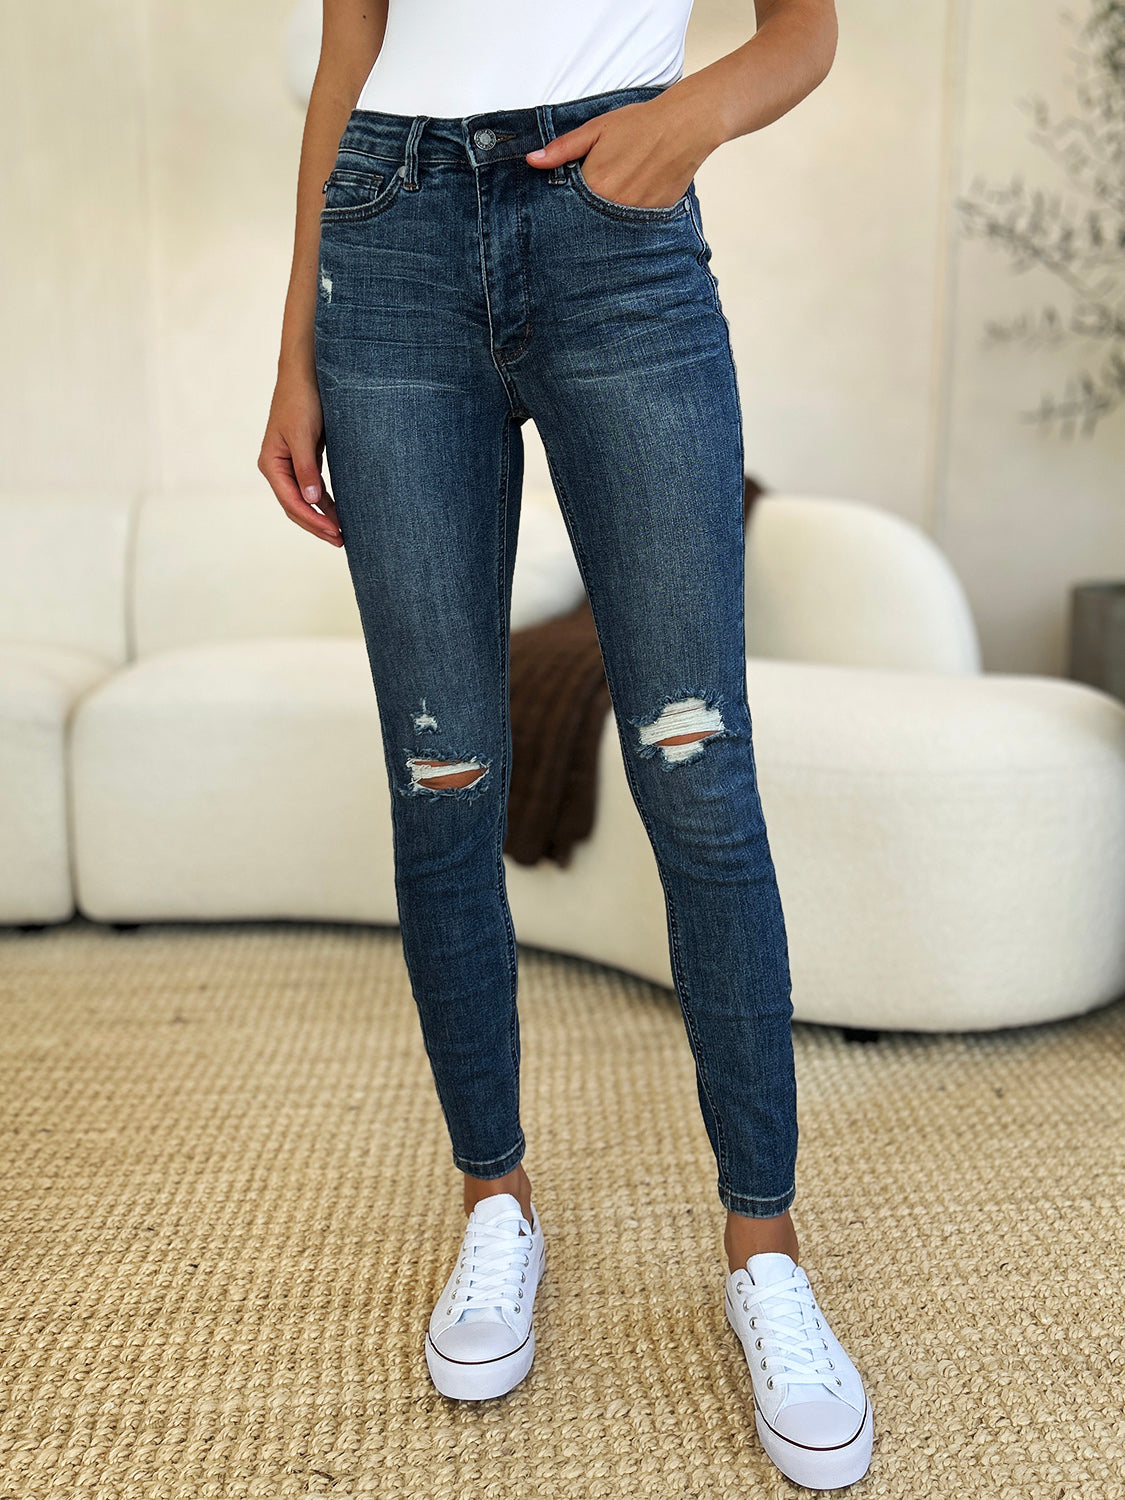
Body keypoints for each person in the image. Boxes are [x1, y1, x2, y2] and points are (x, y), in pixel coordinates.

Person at [259, 0, 872, 1488]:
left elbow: (802, 31)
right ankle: (492, 1202)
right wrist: (295, 352)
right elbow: (349, 52)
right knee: (443, 773)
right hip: (385, 244)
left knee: (693, 769)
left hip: (614, 242)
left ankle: (762, 1249)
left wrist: (684, 120)